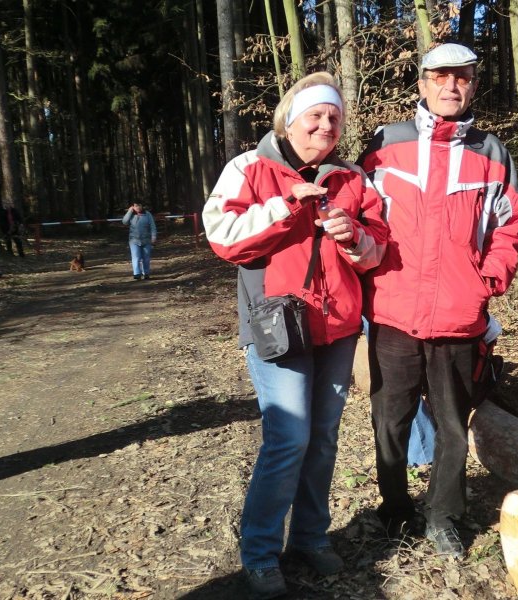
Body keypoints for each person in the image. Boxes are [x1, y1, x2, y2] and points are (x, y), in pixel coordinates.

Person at [203, 72, 387, 599]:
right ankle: (260, 553)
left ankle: (309, 536)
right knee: (288, 438)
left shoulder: (352, 178)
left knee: (323, 438)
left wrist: (356, 239)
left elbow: (380, 246)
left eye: (334, 117)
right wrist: (287, 206)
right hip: (277, 327)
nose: (326, 125)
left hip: (338, 328)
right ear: (290, 119)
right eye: (315, 115)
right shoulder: (250, 167)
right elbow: (223, 235)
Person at [357, 43, 518, 558]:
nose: (450, 86)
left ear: (473, 85)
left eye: (461, 78)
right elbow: (359, 211)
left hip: (460, 316)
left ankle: (444, 516)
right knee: (390, 419)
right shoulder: (385, 144)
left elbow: (512, 225)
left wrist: (490, 278)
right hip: (393, 311)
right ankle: (394, 509)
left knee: (454, 426)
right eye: (440, 77)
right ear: (422, 84)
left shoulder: (492, 152)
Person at [122, 202, 157, 280]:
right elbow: (124, 222)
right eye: (135, 206)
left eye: (139, 205)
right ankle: (137, 273)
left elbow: (152, 226)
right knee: (136, 257)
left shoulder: (148, 214)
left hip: (146, 239)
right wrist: (129, 211)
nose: (137, 207)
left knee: (146, 258)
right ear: (133, 206)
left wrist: (153, 236)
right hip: (134, 240)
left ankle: (146, 273)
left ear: (142, 206)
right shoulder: (131, 214)